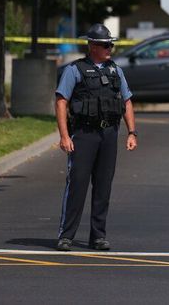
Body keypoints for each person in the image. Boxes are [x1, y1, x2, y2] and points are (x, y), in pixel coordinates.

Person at [54, 23, 138, 251]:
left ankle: (98, 236)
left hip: (109, 134)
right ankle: (66, 235)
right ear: (92, 46)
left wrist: (131, 132)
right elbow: (62, 101)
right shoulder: (75, 70)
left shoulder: (115, 71)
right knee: (77, 185)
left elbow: (127, 101)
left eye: (111, 44)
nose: (110, 47)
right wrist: (64, 135)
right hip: (84, 134)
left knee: (103, 187)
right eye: (105, 44)